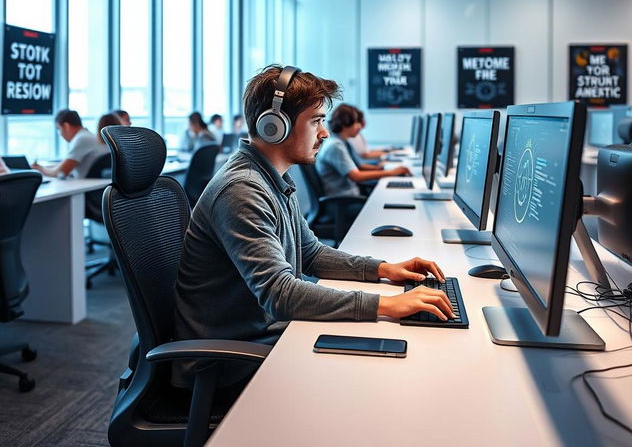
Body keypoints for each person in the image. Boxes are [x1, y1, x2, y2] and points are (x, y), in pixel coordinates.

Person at [173, 65, 453, 388]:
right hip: (227, 361)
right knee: (381, 373)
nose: (324, 133)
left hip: (262, 335)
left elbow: (311, 254)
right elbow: (281, 294)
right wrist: (385, 305)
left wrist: (385, 270)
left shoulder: (272, 178)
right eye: (316, 121)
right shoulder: (242, 190)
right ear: (274, 126)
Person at [315, 103, 411, 199]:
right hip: (344, 201)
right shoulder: (335, 146)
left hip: (351, 195)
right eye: (356, 122)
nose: (360, 126)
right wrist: (391, 173)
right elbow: (356, 176)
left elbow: (358, 165)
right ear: (345, 122)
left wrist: (385, 170)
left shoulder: (341, 141)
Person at [32, 109, 106, 179]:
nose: (59, 134)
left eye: (58, 128)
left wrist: (40, 169)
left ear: (66, 126)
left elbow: (61, 172)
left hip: (87, 186)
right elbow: (67, 165)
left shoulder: (81, 139)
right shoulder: (88, 136)